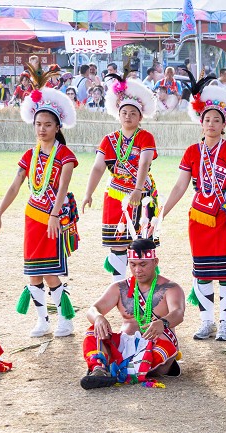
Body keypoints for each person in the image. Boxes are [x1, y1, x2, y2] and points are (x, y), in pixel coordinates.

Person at [0, 58, 80, 338]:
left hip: (53, 219)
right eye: (38, 124)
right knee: (33, 272)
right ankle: (42, 321)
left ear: (57, 127)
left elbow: (63, 187)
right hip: (32, 217)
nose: (42, 129)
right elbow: (15, 186)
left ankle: (65, 320)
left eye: (48, 124)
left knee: (51, 273)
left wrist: (54, 215)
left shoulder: (65, 155)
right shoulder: (29, 155)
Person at [159, 71, 226, 342]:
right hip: (199, 218)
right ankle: (206, 321)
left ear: (224, 123)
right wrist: (162, 213)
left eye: (216, 120)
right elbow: (180, 186)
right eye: (207, 119)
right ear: (201, 122)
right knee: (203, 273)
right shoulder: (192, 152)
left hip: (224, 216)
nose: (211, 123)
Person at [81, 70, 158, 283]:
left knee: (140, 242)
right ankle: (118, 286)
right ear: (118, 114)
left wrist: (138, 189)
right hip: (115, 194)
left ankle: (142, 285)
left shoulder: (146, 137)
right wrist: (88, 193)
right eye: (124, 112)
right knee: (117, 243)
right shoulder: (109, 140)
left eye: (133, 113)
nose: (128, 116)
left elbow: (144, 162)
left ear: (140, 117)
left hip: (142, 196)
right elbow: (98, 168)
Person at [80, 239, 186, 389]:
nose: (137, 270)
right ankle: (99, 370)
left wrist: (163, 323)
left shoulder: (170, 288)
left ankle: (118, 371)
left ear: (155, 262)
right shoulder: (119, 287)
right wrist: (98, 318)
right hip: (124, 348)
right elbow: (93, 309)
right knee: (93, 331)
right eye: (133, 264)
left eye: (143, 264)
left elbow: (178, 313)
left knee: (165, 346)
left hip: (155, 346)